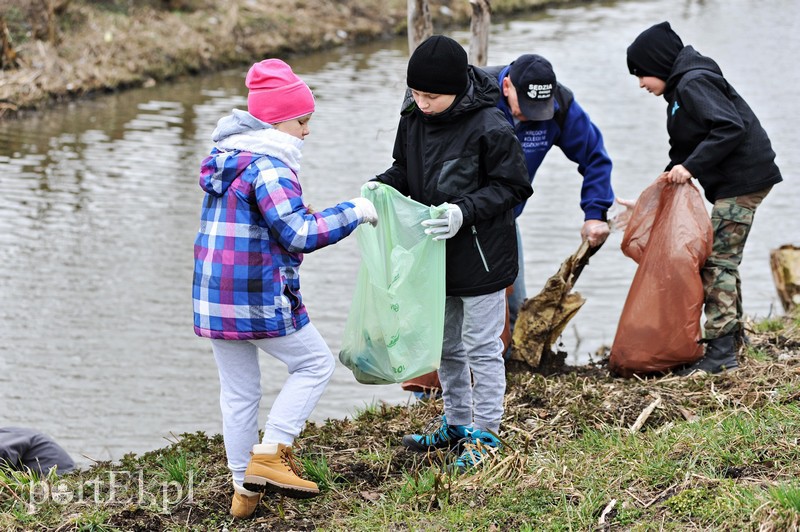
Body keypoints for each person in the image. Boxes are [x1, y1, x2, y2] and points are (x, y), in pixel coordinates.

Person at [192, 58, 378, 519]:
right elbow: (298, 234)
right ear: (277, 121)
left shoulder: (229, 162)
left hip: (215, 297)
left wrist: (298, 216)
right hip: (255, 296)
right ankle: (271, 454)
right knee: (314, 364)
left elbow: (260, 224)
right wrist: (354, 211)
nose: (306, 131)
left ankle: (244, 492)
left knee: (238, 393)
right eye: (302, 121)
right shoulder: (271, 165)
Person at [372, 35, 532, 472]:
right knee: (446, 346)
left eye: (431, 96)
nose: (422, 103)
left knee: (481, 347)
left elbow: (514, 187)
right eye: (416, 93)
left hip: (482, 256)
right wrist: (380, 189)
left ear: (457, 89)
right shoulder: (413, 116)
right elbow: (404, 170)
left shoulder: (490, 126)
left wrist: (465, 211)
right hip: (434, 256)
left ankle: (487, 433)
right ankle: (456, 423)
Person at [626, 21, 782, 375]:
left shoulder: (694, 82)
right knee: (722, 258)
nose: (640, 84)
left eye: (641, 75)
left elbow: (729, 126)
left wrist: (691, 167)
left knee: (716, 262)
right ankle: (734, 339)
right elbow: (682, 149)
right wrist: (655, 194)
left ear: (658, 64)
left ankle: (720, 354)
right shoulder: (681, 90)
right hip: (735, 181)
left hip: (745, 179)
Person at [481, 54, 617, 333]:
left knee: (514, 309)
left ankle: (504, 372)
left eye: (538, 109)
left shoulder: (561, 106)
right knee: (469, 305)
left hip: (506, 220)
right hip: (464, 216)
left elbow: (594, 157)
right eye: (525, 106)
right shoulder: (478, 94)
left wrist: (595, 213)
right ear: (506, 86)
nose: (530, 115)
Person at [0, 426, 75, 477]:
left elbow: (3, 449)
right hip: (64, 471)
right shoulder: (7, 433)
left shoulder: (5, 437)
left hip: (53, 471)